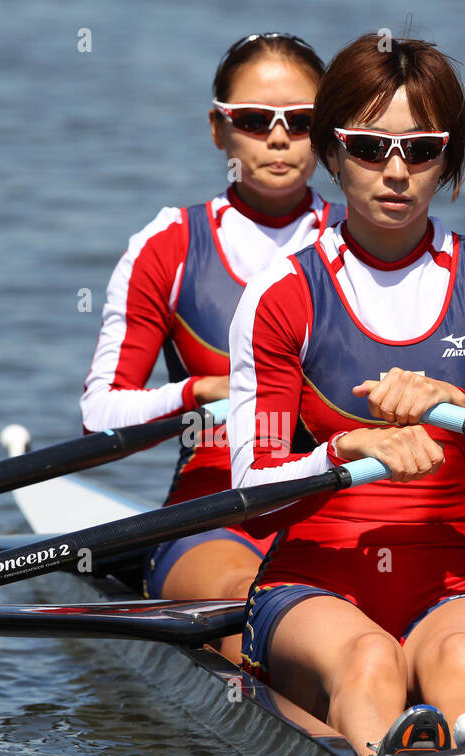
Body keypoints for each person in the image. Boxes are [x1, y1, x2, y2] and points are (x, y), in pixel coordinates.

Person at [226, 35, 465, 756]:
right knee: (370, 661)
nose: (396, 171)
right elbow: (251, 484)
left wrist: (462, 416)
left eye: (423, 148)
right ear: (331, 151)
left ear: (452, 157)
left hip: (454, 581)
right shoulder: (283, 297)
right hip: (311, 583)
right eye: (370, 147)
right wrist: (345, 448)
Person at [81, 33, 339, 662]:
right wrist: (202, 392)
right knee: (249, 598)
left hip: (342, 507)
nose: (277, 139)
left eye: (301, 122)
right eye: (253, 120)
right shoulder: (168, 246)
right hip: (213, 516)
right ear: (218, 130)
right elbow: (100, 416)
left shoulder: (370, 243)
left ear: (328, 131)